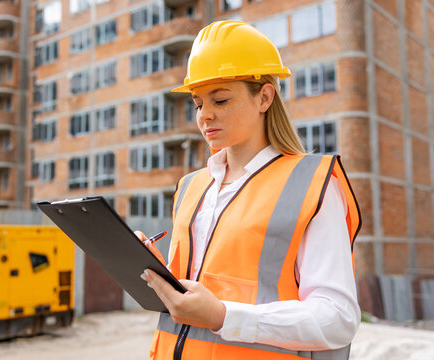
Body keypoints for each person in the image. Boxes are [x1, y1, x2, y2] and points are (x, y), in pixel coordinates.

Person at [136, 20, 362, 360]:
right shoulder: (191, 187)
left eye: (221, 99)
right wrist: (158, 274)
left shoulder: (311, 185)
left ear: (264, 97)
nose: (205, 115)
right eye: (198, 103)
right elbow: (194, 296)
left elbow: (338, 320)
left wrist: (225, 317)